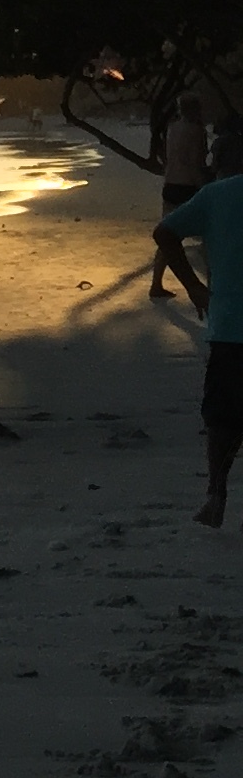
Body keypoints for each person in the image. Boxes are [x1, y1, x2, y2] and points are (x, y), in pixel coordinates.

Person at [153, 179, 243, 523]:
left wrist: (193, 286)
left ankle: (216, 494)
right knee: (222, 417)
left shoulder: (218, 194)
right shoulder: (217, 195)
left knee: (223, 419)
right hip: (230, 325)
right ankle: (215, 495)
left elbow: (165, 233)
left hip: (230, 325)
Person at [157, 95, 214, 300]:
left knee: (168, 233)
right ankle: (211, 281)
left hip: (170, 184)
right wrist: (204, 189)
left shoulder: (172, 128)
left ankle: (156, 284)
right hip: (189, 186)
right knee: (209, 235)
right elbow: (195, 163)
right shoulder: (196, 131)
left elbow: (172, 157)